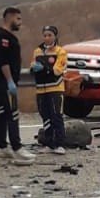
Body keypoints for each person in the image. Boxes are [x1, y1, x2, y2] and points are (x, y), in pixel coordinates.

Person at [0, 6, 35, 163]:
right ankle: (16, 147)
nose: (20, 22)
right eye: (18, 19)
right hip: (4, 82)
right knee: (12, 113)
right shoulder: (2, 37)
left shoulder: (5, 36)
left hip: (1, 82)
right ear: (9, 18)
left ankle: (2, 146)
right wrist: (10, 81)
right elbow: (3, 61)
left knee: (2, 114)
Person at [32, 25, 68, 154]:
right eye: (45, 35)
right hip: (41, 89)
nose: (47, 38)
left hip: (55, 88)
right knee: (45, 117)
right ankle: (49, 143)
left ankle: (60, 144)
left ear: (55, 36)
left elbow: (57, 70)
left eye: (50, 35)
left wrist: (45, 69)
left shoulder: (60, 51)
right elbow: (33, 66)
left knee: (56, 116)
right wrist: (34, 69)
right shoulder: (37, 51)